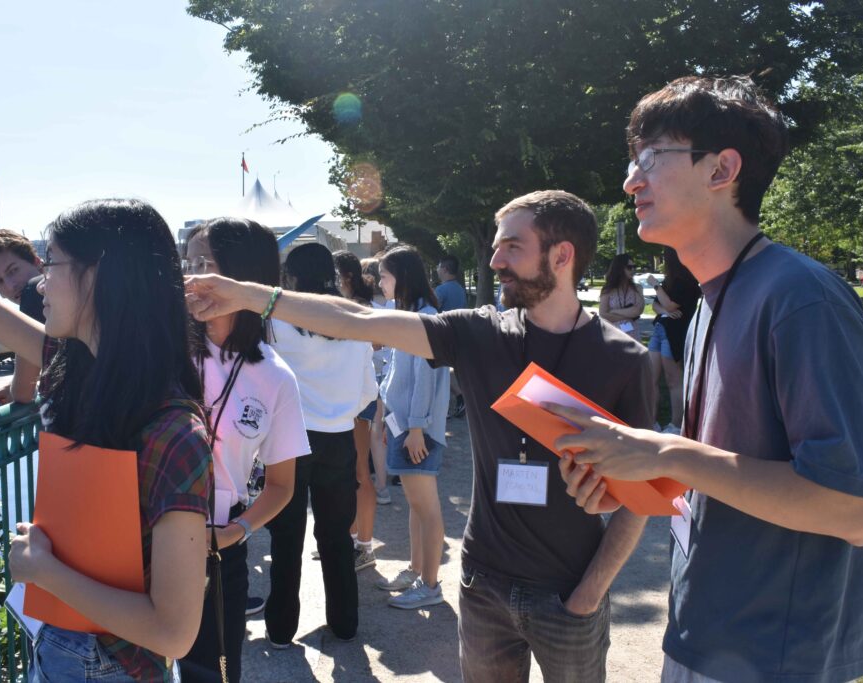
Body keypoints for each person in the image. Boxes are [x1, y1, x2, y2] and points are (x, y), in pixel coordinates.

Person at [185, 189, 654, 682]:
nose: (494, 260)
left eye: (512, 246)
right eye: (495, 246)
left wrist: (588, 596)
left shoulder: (623, 361)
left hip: (569, 594)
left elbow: (642, 497)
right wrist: (247, 294)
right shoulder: (479, 332)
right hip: (483, 587)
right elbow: (358, 319)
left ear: (562, 256)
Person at [554, 76, 863, 683]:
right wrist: (641, 474)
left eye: (650, 159)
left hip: (776, 659)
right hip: (702, 633)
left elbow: (854, 509)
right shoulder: (711, 297)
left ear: (721, 170)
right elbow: (725, 466)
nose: (631, 182)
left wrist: (668, 451)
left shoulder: (801, 297)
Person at [0, 199, 213, 682]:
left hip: (112, 665)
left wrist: (46, 571)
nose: (39, 282)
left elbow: (173, 632)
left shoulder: (174, 433)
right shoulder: (73, 365)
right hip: (60, 643)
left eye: (51, 262)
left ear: (98, 275)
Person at [180, 218, 309, 682]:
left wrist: (236, 532)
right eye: (187, 262)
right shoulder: (163, 349)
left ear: (245, 277)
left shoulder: (275, 377)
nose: (190, 277)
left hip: (216, 546)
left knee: (211, 672)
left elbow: (281, 486)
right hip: (142, 536)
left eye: (203, 264)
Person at [263, 243, 377, 648]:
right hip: (339, 438)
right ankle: (345, 622)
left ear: (290, 276)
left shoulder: (276, 321)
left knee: (286, 536)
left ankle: (280, 628)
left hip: (288, 441)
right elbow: (368, 393)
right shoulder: (353, 318)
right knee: (335, 537)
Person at [373, 246, 451, 610]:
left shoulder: (424, 316)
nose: (379, 283)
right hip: (404, 423)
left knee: (426, 507)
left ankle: (430, 584)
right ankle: (417, 570)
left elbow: (426, 379)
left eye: (384, 276)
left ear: (401, 277)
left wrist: (416, 426)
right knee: (416, 505)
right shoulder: (410, 313)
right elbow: (397, 373)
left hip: (416, 428)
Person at [333, 249, 384, 569]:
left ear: (346, 276)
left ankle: (364, 545)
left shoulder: (363, 308)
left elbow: (378, 343)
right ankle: (350, 540)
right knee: (347, 473)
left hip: (360, 397)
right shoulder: (350, 305)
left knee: (360, 472)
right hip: (348, 396)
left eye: (333, 275)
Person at [0, 229, 45, 404]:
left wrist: (16, 386)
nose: (11, 286)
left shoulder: (33, 296)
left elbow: (22, 393)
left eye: (13, 271)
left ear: (36, 262)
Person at [646, 247, 699, 434]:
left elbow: (668, 303)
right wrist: (665, 309)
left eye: (664, 258)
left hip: (674, 333)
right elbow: (656, 305)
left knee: (672, 380)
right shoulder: (670, 282)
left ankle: (676, 425)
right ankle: (651, 422)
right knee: (650, 377)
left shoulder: (687, 282)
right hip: (660, 329)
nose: (662, 262)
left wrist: (655, 286)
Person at [361, 256, 392, 503]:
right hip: (389, 376)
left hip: (370, 376)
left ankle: (374, 486)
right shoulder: (395, 305)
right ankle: (383, 486)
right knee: (380, 434)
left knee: (369, 434)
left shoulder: (364, 308)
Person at [434, 254, 468, 417]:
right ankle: (461, 398)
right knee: (449, 370)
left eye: (439, 266)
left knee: (441, 372)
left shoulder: (441, 290)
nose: (437, 269)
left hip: (442, 336)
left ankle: (456, 401)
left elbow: (432, 310)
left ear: (445, 269)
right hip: (458, 334)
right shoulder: (460, 289)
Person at [598, 253, 645, 342]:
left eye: (634, 267)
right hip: (612, 335)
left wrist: (614, 311)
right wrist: (629, 315)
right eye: (629, 267)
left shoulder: (637, 288)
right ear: (619, 268)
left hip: (633, 335)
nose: (633, 270)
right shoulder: (608, 289)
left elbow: (638, 311)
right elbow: (603, 314)